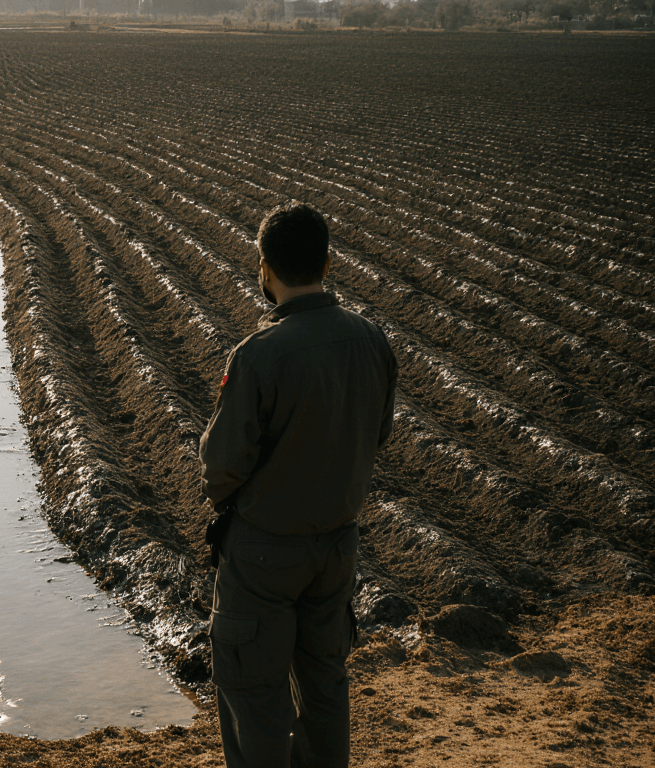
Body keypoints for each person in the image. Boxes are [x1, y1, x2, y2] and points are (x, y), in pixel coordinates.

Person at [199, 202, 397, 768]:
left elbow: (221, 467)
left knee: (254, 691)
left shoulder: (259, 355)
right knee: (325, 685)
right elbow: (378, 432)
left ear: (264, 268)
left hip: (264, 552)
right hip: (337, 546)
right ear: (327, 262)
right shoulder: (370, 338)